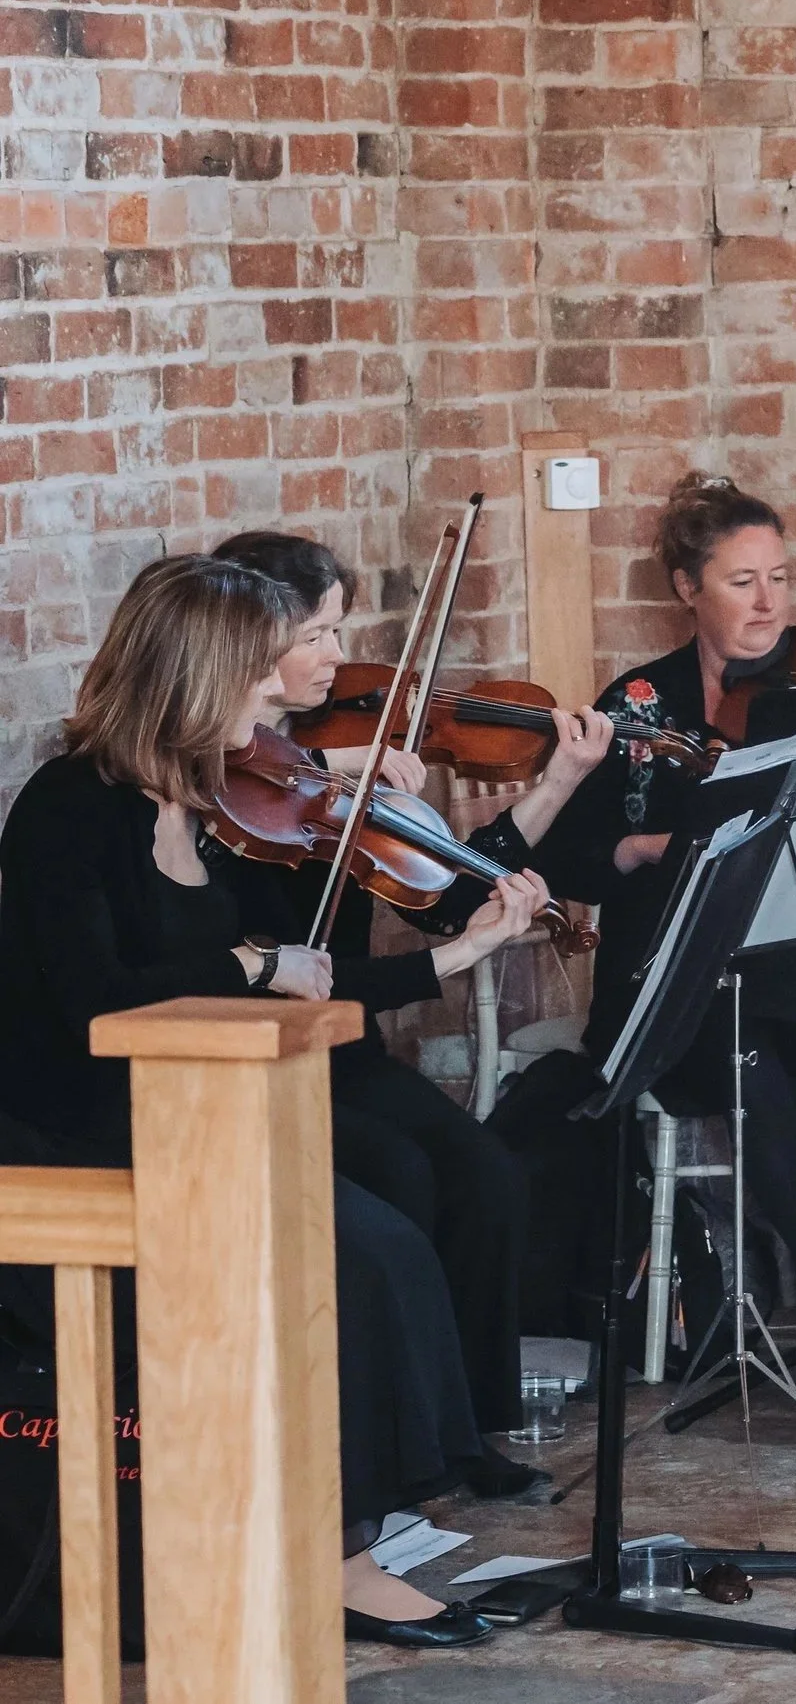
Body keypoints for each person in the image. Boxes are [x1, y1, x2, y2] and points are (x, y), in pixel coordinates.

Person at [0, 554, 551, 1646]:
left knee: (377, 1235)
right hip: (77, 1123)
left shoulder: (208, 799)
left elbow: (314, 970)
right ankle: (337, 1552)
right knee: (358, 1250)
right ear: (198, 673)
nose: (279, 695)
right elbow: (95, 1005)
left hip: (193, 1109)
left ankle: (361, 1521)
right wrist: (252, 968)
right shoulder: (71, 808)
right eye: (261, 669)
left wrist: (464, 948)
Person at [531, 473, 796, 1434]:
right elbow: (566, 856)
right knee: (764, 1099)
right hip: (686, 970)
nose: (769, 605)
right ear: (687, 589)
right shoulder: (634, 704)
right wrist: (641, 848)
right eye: (743, 582)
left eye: (780, 579)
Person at [210, 530, 613, 1473]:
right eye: (315, 635)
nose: (336, 662)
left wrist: (557, 781)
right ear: (247, 640)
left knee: (487, 1170)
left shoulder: (312, 777)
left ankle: (465, 1431)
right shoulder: (230, 789)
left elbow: (460, 897)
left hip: (342, 1045)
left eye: (337, 632)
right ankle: (389, 1445)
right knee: (409, 1173)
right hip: (261, 1052)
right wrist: (340, 781)